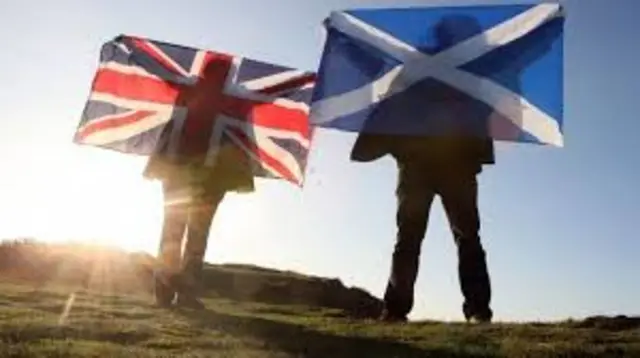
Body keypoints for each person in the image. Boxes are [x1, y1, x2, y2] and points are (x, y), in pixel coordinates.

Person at [349, 15, 495, 323]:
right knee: (437, 238)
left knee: (443, 237)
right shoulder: (424, 63)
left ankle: (471, 310)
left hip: (447, 161)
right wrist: (347, 42)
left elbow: (512, 61)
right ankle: (407, 310)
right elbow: (376, 68)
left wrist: (543, 28)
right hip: (427, 163)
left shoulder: (471, 65)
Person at [143, 121, 255, 309]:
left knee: (189, 232)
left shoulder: (228, 101)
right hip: (186, 165)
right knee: (181, 231)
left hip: (208, 169)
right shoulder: (226, 100)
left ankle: (178, 294)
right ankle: (170, 293)